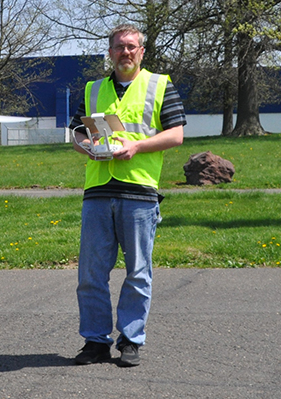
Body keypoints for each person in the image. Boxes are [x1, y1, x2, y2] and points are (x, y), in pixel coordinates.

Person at [68, 24, 186, 367]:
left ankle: (131, 340)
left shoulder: (159, 85)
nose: (126, 53)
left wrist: (137, 146)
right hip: (98, 193)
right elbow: (77, 134)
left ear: (142, 52)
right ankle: (95, 341)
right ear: (110, 52)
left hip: (140, 192)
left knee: (138, 271)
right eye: (119, 47)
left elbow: (176, 135)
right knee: (91, 274)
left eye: (132, 47)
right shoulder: (92, 89)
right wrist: (87, 147)